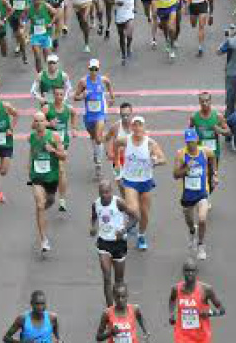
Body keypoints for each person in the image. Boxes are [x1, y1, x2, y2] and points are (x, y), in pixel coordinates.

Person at [116, 114, 166, 251]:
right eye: (135, 125)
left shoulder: (150, 143)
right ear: (131, 127)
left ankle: (141, 235)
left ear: (144, 127)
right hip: (130, 181)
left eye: (140, 125)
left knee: (144, 213)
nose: (137, 128)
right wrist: (115, 161)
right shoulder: (125, 140)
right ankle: (126, 225)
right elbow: (115, 144)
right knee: (133, 210)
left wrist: (156, 161)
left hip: (146, 181)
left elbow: (164, 159)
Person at [90, 180, 138, 306]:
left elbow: (135, 217)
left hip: (119, 244)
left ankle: (119, 307)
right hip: (103, 243)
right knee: (106, 277)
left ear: (111, 191)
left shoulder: (118, 203)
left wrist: (124, 230)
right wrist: (93, 227)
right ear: (99, 193)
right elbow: (94, 217)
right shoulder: (95, 204)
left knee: (119, 281)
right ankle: (110, 310)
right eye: (102, 193)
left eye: (107, 192)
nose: (105, 195)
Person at [173, 128, 217, 259]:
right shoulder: (181, 154)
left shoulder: (204, 151)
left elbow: (213, 157)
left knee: (202, 219)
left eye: (193, 141)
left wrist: (214, 174)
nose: (191, 144)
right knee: (190, 221)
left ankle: (201, 245)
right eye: (188, 142)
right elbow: (175, 175)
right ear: (186, 142)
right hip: (187, 195)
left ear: (197, 140)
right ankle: (192, 231)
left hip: (202, 192)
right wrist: (186, 167)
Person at [28, 111, 67, 254]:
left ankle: (42, 214)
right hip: (37, 177)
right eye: (36, 121)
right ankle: (43, 239)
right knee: (39, 204)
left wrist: (53, 151)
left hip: (51, 177)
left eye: (41, 121)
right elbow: (32, 153)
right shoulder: (32, 137)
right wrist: (29, 170)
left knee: (48, 202)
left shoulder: (54, 136)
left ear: (46, 122)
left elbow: (64, 156)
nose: (39, 124)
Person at [73, 58, 115, 179]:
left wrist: (111, 97)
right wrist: (82, 96)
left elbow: (109, 85)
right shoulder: (83, 82)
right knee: (93, 138)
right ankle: (97, 154)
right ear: (88, 69)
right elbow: (75, 97)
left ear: (98, 69)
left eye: (96, 69)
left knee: (98, 137)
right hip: (89, 115)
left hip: (101, 113)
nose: (94, 71)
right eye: (92, 69)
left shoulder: (103, 80)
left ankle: (99, 165)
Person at [44, 85, 78, 212]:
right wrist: (48, 124)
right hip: (49, 142)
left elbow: (75, 114)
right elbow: (34, 124)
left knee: (62, 170)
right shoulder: (47, 108)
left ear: (64, 96)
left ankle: (62, 200)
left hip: (62, 143)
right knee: (50, 170)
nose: (59, 97)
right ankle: (49, 191)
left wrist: (74, 128)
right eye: (57, 94)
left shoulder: (68, 109)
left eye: (61, 95)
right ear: (53, 96)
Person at [113, 0, 135, 65]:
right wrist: (117, 2)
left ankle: (129, 47)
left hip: (129, 12)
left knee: (129, 34)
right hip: (120, 13)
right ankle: (123, 55)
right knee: (121, 36)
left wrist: (134, 7)